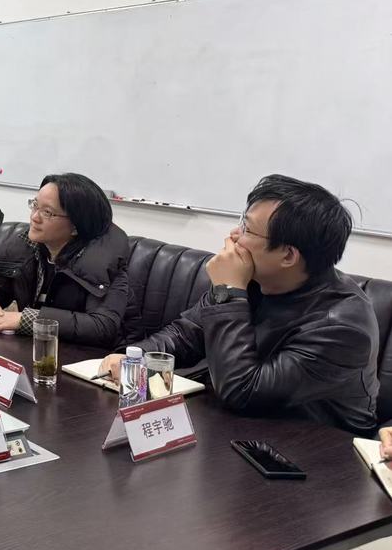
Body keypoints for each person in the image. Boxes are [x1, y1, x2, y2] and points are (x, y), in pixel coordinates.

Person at [99, 174, 379, 435]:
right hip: (237, 430)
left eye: (247, 229)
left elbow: (244, 392)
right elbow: (187, 334)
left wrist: (230, 292)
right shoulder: (256, 278)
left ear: (288, 255)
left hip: (317, 454)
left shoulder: (342, 326)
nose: (234, 235)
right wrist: (135, 358)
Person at [0, 173, 129, 349]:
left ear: (76, 227)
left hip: (96, 358)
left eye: (47, 212)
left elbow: (102, 326)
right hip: (40, 349)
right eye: (35, 205)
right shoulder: (28, 246)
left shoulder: (104, 264)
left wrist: (26, 319)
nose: (34, 217)